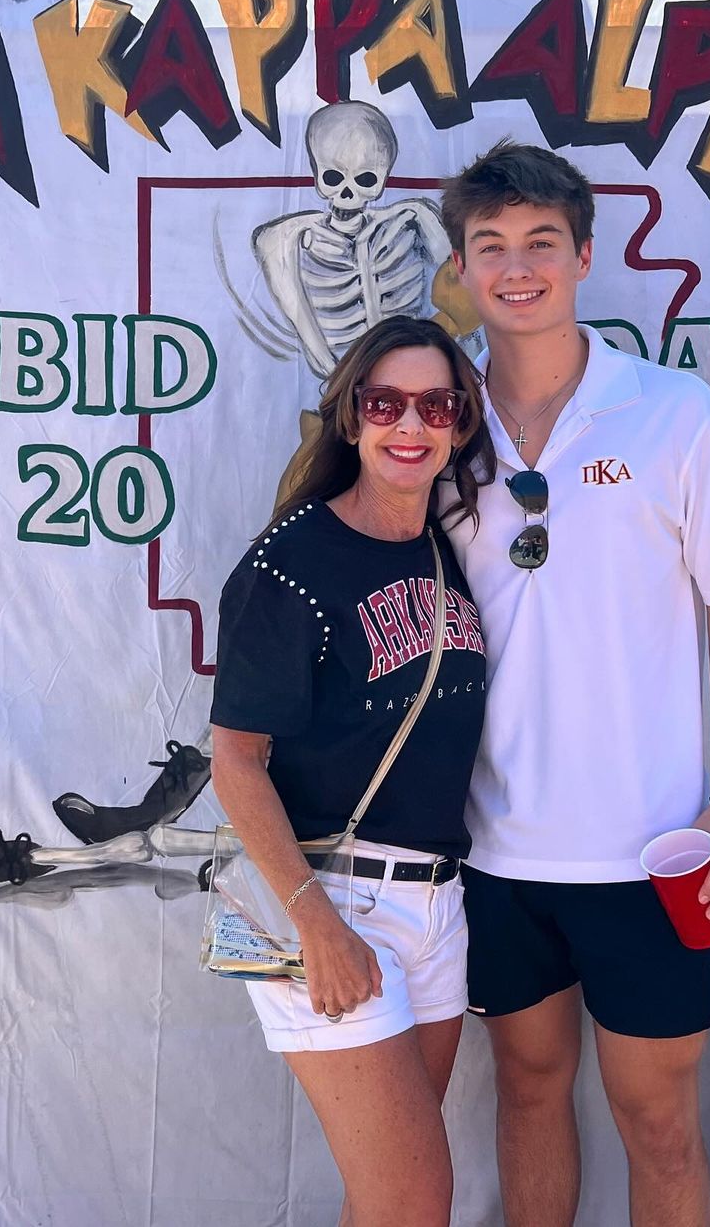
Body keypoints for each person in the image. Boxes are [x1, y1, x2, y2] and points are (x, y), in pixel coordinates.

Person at [440, 143, 710, 1227]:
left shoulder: (676, 412)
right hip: (491, 846)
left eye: (542, 242)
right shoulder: (432, 420)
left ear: (585, 256)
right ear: (461, 268)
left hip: (654, 848)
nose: (518, 268)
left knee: (659, 1120)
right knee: (527, 1092)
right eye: (491, 246)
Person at [209, 314, 496, 1227]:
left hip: (435, 904)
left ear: (460, 423)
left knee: (388, 1199)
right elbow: (236, 761)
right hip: (332, 898)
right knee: (414, 1200)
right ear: (351, 416)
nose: (410, 425)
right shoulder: (291, 563)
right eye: (385, 404)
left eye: (435, 406)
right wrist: (316, 925)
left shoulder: (450, 549)